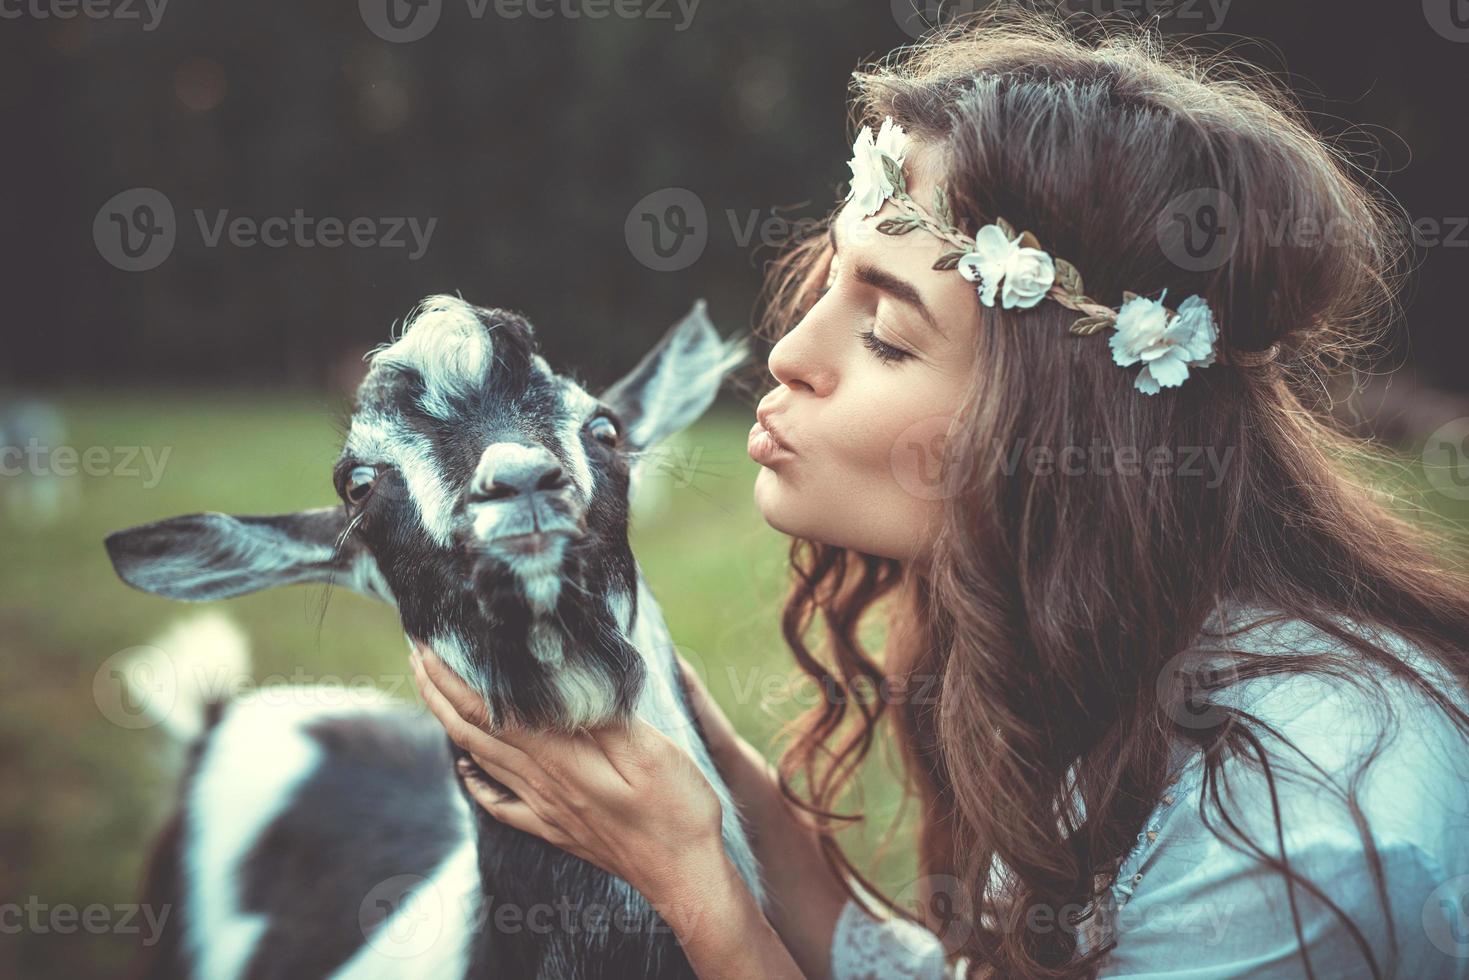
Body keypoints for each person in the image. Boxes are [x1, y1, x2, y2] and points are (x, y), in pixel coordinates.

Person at [411, 9, 1469, 978]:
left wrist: (694, 881)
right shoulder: (1124, 660)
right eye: (826, 284)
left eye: (883, 333)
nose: (783, 354)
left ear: (1064, 426)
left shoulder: (1296, 818)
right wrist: (701, 757)